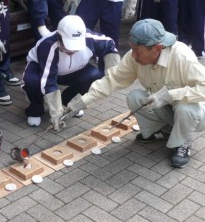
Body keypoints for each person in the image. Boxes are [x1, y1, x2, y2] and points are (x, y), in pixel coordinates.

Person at [65, 19, 205, 169]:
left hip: (195, 113)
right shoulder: (134, 57)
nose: (133, 55)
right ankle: (163, 131)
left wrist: (171, 95)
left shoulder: (181, 56)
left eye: (138, 51)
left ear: (157, 48)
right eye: (132, 49)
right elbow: (111, 80)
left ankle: (183, 141)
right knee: (135, 97)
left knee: (185, 108)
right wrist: (82, 102)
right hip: (166, 107)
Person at [22, 15, 120, 130]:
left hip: (72, 70)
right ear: (59, 36)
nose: (72, 50)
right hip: (41, 70)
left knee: (95, 75)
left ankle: (68, 102)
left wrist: (112, 74)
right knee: (32, 82)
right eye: (68, 45)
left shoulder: (89, 38)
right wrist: (56, 112)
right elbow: (48, 81)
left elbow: (109, 45)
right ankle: (36, 109)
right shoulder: (47, 45)